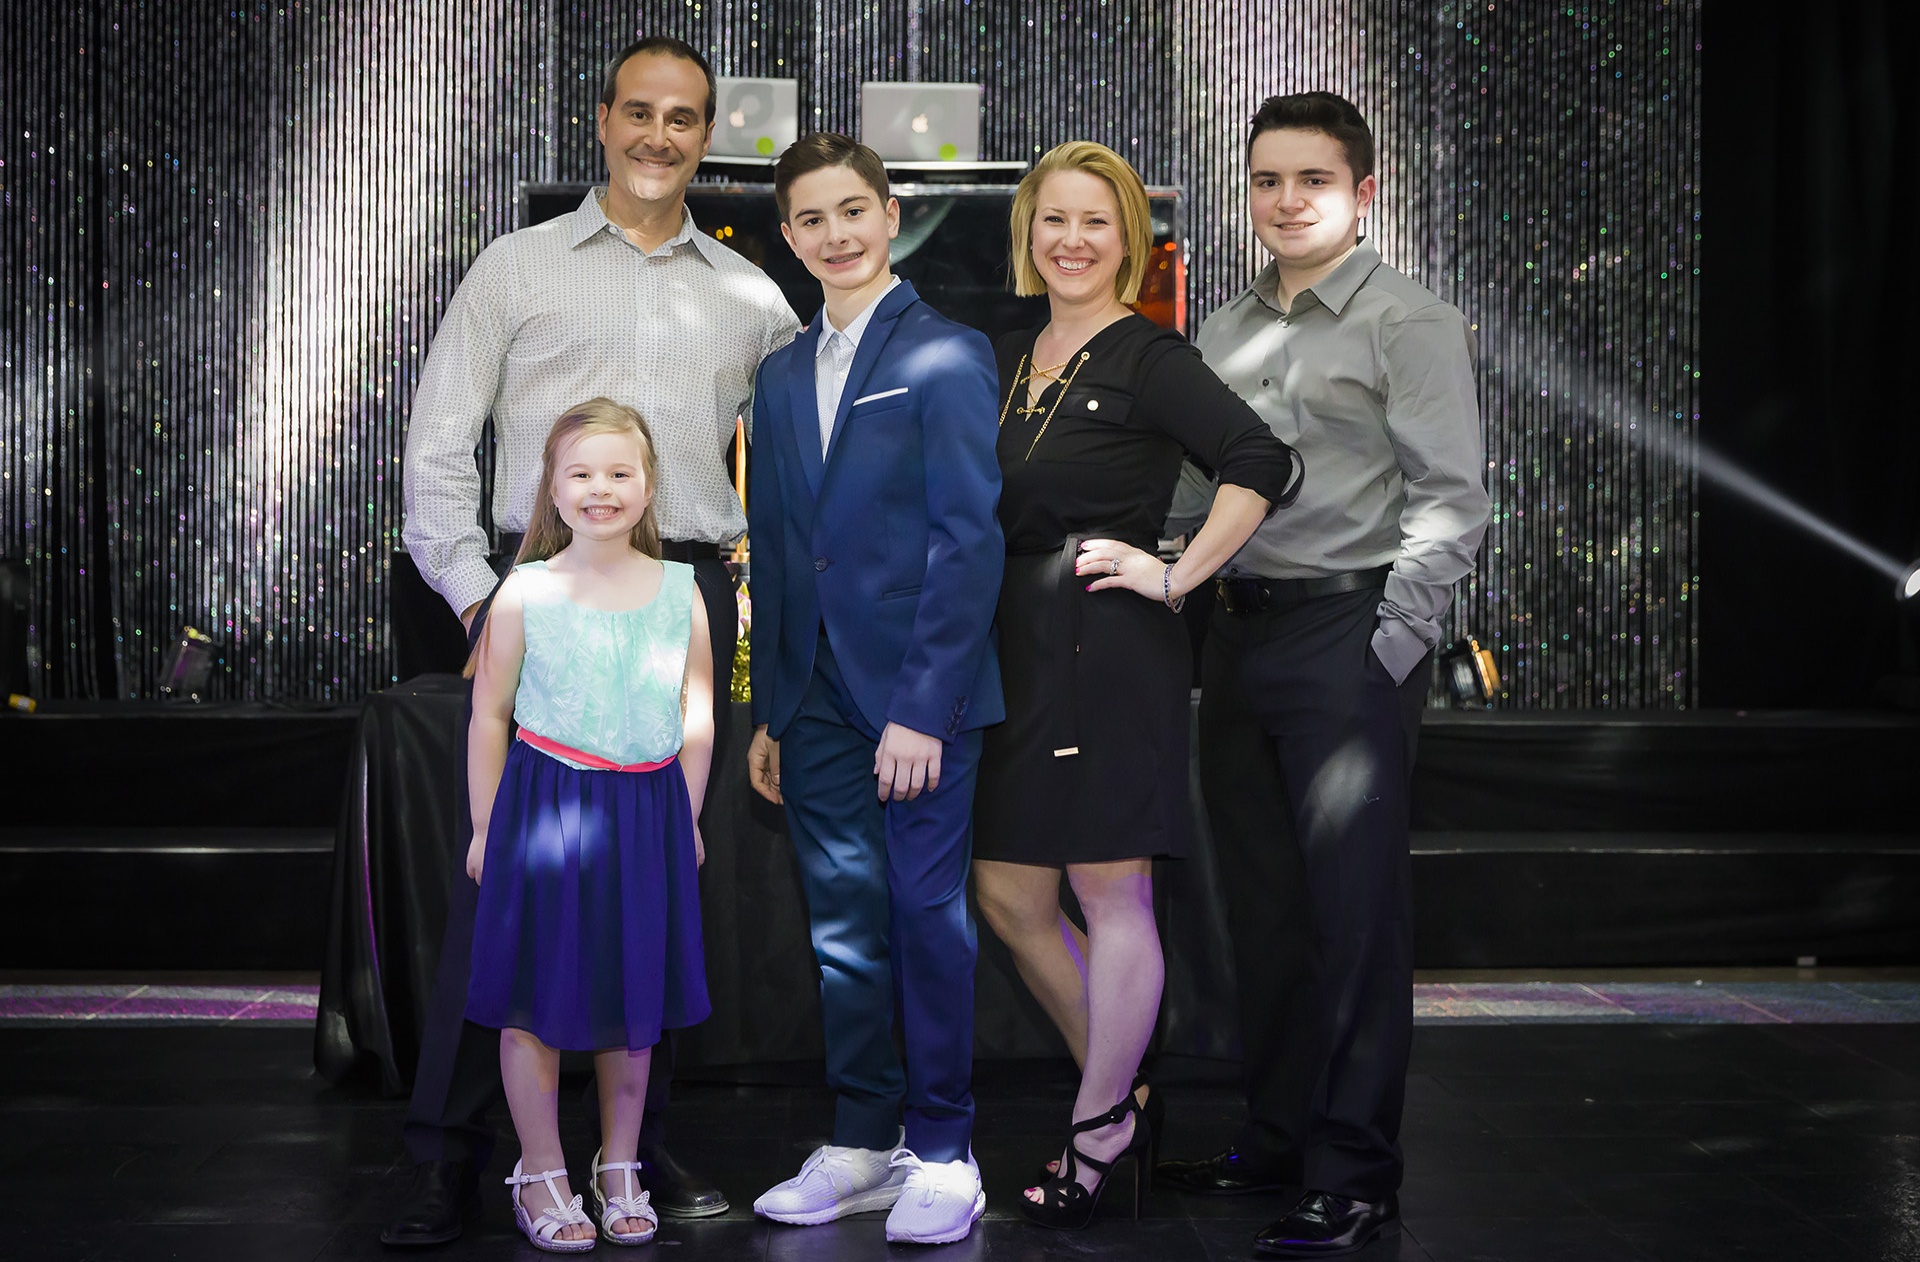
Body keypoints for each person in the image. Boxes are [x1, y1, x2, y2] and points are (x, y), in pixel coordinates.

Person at [389, 35, 797, 1246]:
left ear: (707, 134)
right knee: (503, 895)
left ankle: (630, 1150)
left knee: (651, 890)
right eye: (640, 112)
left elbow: (797, 469)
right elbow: (436, 446)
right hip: (537, 587)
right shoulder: (516, 266)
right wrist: (481, 599)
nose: (660, 135)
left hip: (680, 593)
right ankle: (451, 1149)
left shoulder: (751, 296)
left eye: (685, 117)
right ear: (603, 120)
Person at [1153, 92, 1491, 1258]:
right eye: (1267, 180)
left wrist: (1388, 643)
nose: (1287, 200)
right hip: (1237, 633)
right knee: (1263, 907)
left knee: (1354, 917)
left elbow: (1451, 500)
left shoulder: (1410, 320)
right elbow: (1201, 487)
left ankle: (1353, 1173)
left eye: (1314, 179)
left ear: (1364, 192)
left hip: (1348, 634)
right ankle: (1277, 1135)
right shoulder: (1222, 328)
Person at [967, 141, 1302, 1231]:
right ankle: (1122, 1099)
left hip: (1107, 645)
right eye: (1054, 219)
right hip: (1015, 646)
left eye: (1095, 222)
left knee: (1111, 892)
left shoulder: (1150, 355)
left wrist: (1174, 574)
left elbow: (1261, 460)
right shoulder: (1007, 353)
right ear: (1028, 231)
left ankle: (1098, 1122)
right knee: (1009, 894)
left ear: (1131, 240)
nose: (1072, 240)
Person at [743, 132, 1004, 1246]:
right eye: (811, 219)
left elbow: (968, 541)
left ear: (890, 215)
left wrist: (922, 708)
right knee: (842, 930)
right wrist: (771, 707)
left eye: (853, 210)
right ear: (789, 237)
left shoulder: (948, 352)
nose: (835, 234)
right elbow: (775, 545)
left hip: (917, 699)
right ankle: (860, 1141)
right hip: (810, 698)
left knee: (925, 918)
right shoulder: (775, 372)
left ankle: (942, 1149)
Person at [463, 397, 713, 1251]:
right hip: (546, 809)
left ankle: (620, 1163)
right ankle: (540, 1170)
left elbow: (698, 712)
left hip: (646, 812)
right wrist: (485, 826)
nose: (600, 489)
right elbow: (489, 715)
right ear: (553, 486)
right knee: (533, 996)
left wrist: (687, 813)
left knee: (631, 993)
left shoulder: (681, 589)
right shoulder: (525, 590)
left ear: (648, 486)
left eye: (618, 473)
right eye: (581, 473)